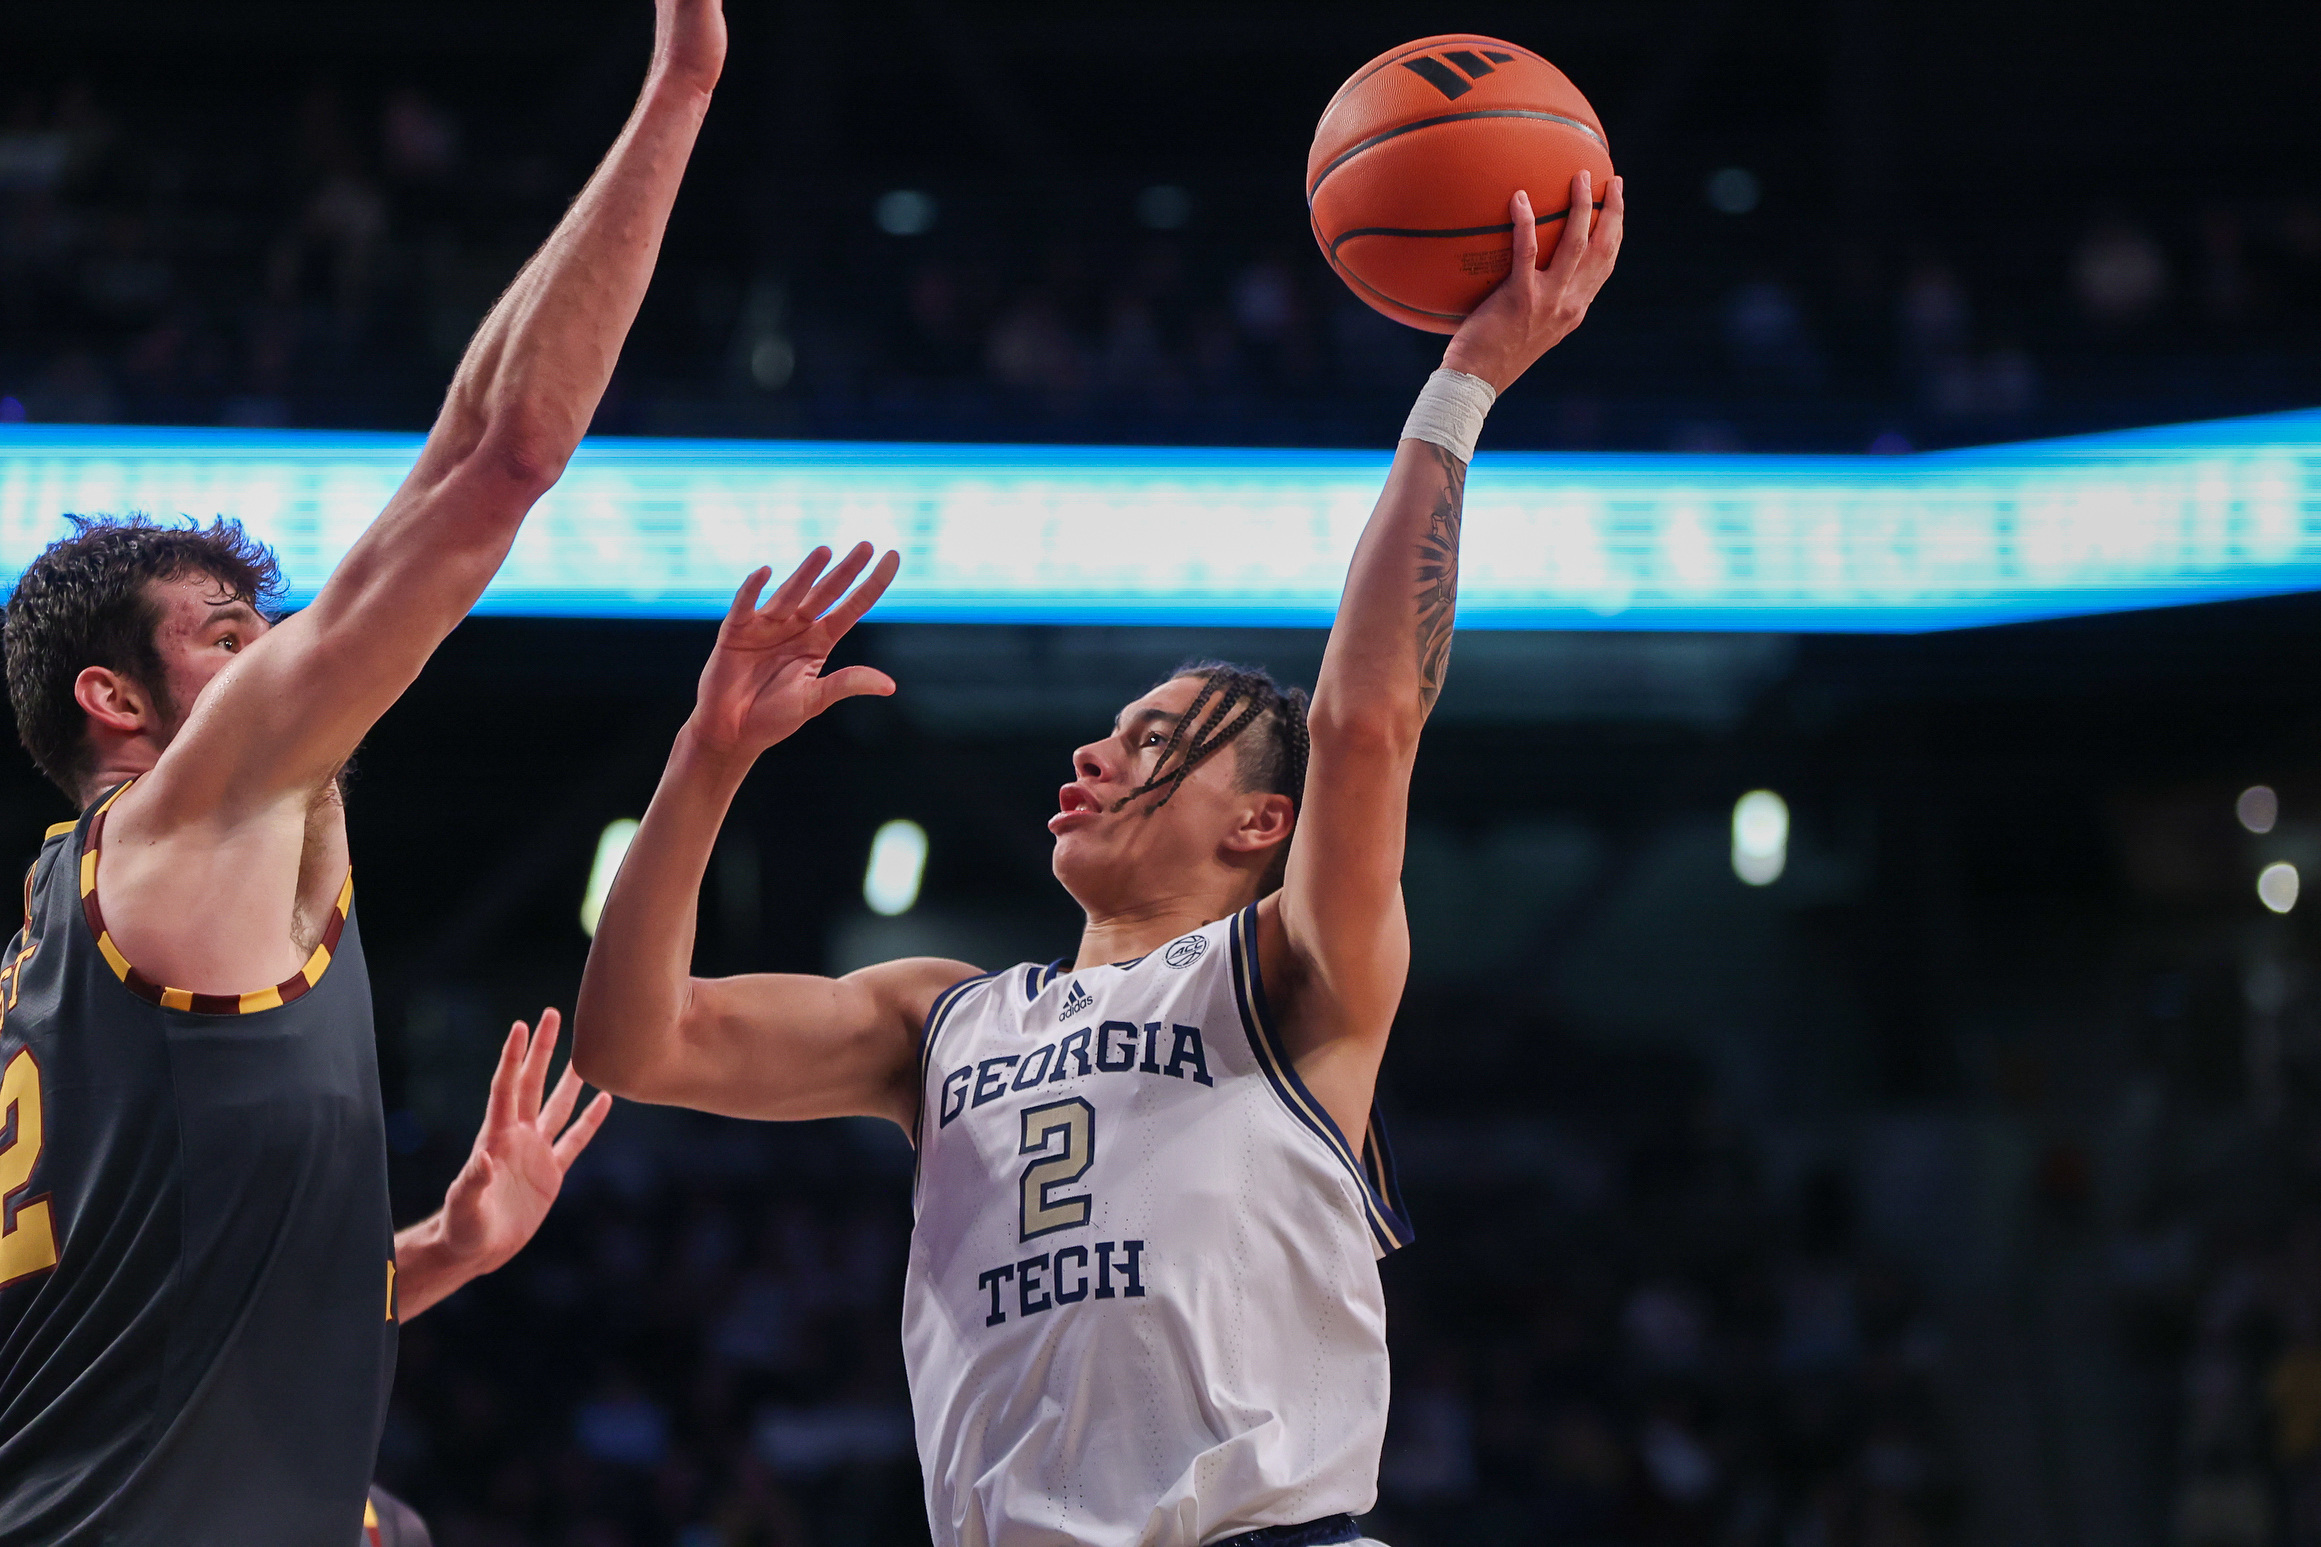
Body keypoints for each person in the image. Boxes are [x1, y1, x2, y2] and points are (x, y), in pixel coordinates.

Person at [573, 172, 1624, 1547]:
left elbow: (1362, 723)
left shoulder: (1290, 973)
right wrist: (704, 761)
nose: (1095, 755)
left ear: (1261, 824)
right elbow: (633, 1041)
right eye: (1106, 733)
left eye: (1155, 742)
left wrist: (1463, 384)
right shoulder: (940, 1016)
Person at [0, 1, 729, 1538]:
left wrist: (437, 1256)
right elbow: (504, 458)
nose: (273, 654)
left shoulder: (61, 944)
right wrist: (680, 86)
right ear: (113, 702)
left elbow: (160, 1324)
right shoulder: (191, 812)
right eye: (224, 637)